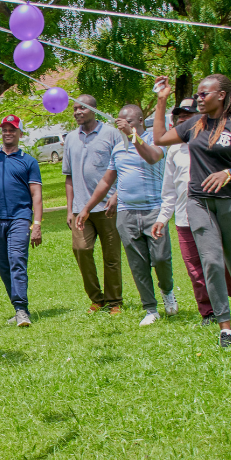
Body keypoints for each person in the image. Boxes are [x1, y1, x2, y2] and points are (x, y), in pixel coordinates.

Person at [153, 74, 231, 348]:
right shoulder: (194, 125)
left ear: (221, 95)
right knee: (211, 261)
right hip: (198, 201)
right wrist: (161, 101)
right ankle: (224, 326)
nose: (200, 98)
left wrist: (229, 173)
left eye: (205, 94)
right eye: (198, 94)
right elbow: (158, 138)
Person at [75, 105, 175, 326]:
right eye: (120, 121)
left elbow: (152, 158)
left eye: (128, 121)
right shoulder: (119, 148)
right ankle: (150, 308)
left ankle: (167, 291)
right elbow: (106, 181)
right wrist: (87, 207)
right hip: (126, 213)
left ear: (140, 120)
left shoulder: (155, 140)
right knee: (138, 264)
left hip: (153, 211)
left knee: (160, 258)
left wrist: (133, 136)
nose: (122, 124)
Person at [152, 99, 231, 325]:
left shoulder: (212, 143)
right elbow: (170, 189)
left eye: (189, 114)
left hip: (214, 212)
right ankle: (209, 311)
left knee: (221, 261)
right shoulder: (174, 150)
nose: (184, 119)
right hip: (185, 218)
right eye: (179, 116)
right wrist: (163, 218)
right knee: (195, 268)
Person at [0, 115, 43, 327]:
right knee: (3, 266)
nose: (8, 133)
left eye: (12, 129)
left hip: (20, 217)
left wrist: (37, 224)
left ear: (20, 133)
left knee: (17, 259)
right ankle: (18, 308)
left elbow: (37, 195)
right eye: (5, 129)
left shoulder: (28, 161)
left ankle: (21, 309)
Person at [63, 95, 124, 315]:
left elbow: (123, 167)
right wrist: (70, 209)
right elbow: (68, 177)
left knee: (111, 256)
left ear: (93, 109)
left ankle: (114, 300)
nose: (77, 112)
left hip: (108, 208)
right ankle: (97, 298)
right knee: (81, 249)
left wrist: (116, 194)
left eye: (82, 108)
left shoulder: (111, 134)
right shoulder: (70, 139)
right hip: (81, 209)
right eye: (74, 109)